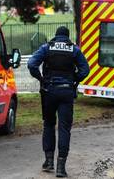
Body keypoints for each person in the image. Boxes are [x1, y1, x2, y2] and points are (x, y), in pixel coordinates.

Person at [27, 26, 90, 178]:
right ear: (67, 37)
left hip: (49, 91)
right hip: (67, 92)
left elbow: (31, 64)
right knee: (64, 128)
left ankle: (49, 162)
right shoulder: (74, 49)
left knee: (48, 124)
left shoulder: (47, 47)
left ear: (56, 36)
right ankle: (61, 167)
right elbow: (85, 70)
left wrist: (41, 78)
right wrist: (74, 79)